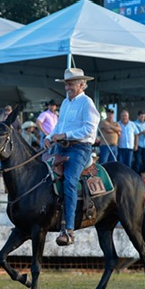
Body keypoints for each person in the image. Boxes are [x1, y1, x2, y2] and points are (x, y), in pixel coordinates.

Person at [43, 67, 100, 246]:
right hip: (62, 146)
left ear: (82, 84)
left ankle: (68, 229)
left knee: (69, 181)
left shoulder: (87, 103)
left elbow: (89, 129)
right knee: (42, 173)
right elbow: (59, 126)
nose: (67, 87)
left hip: (80, 148)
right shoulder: (66, 103)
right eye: (66, 84)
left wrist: (64, 135)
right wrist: (48, 137)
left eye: (71, 84)